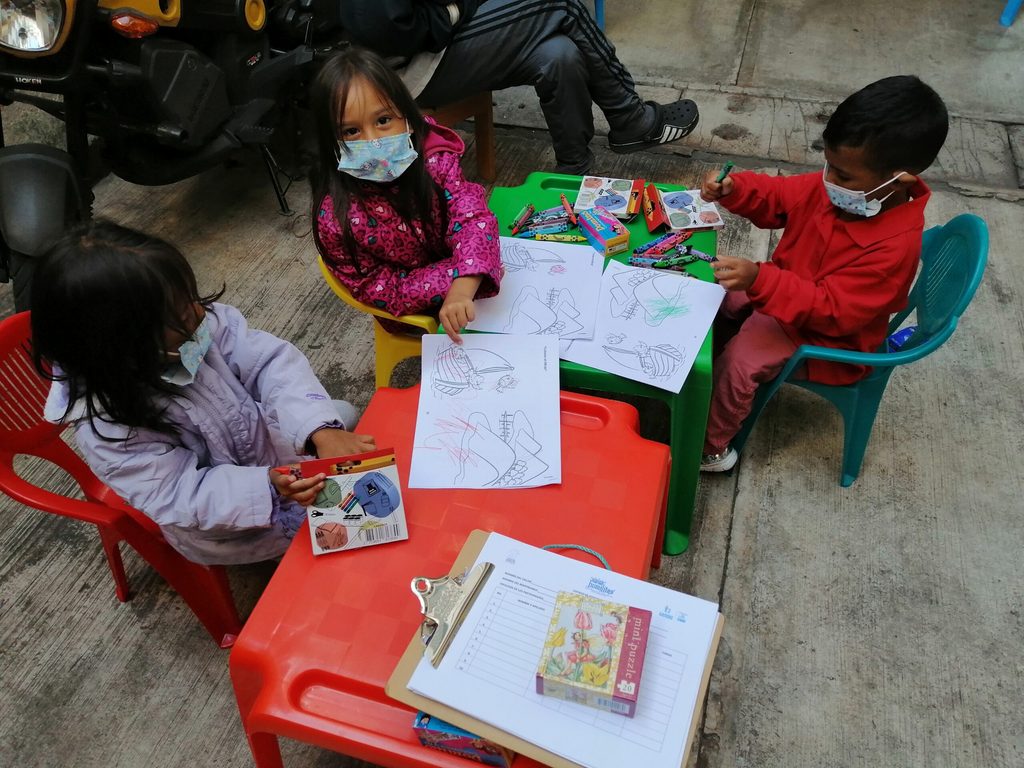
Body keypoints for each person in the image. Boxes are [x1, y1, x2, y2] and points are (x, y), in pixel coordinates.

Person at [31, 221, 377, 565]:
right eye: (183, 315)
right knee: (335, 557)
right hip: (236, 525)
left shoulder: (197, 327)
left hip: (271, 455)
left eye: (192, 299)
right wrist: (266, 486)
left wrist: (318, 428)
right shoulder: (110, 428)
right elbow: (178, 494)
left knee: (337, 416)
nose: (199, 314)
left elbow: (269, 364)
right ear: (124, 349)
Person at [697, 75, 949, 472]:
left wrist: (761, 281)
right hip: (786, 292)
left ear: (899, 180)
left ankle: (713, 449)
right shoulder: (842, 189)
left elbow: (832, 311)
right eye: (828, 164)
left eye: (843, 175)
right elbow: (780, 196)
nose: (828, 180)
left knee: (739, 363)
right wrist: (735, 189)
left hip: (827, 336)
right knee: (711, 294)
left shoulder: (893, 248)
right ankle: (701, 371)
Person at [336, 0, 699, 175]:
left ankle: (573, 168)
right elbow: (383, 27)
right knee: (560, 3)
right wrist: (454, 11)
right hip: (408, 71)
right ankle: (630, 118)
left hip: (444, 41)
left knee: (560, 54)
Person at [311, 46, 502, 342]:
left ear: (407, 116)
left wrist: (465, 283)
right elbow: (383, 289)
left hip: (469, 282)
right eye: (350, 131)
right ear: (330, 142)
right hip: (414, 313)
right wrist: (462, 274)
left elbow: (472, 218)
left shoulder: (435, 159)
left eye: (383, 120)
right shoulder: (336, 219)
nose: (373, 141)